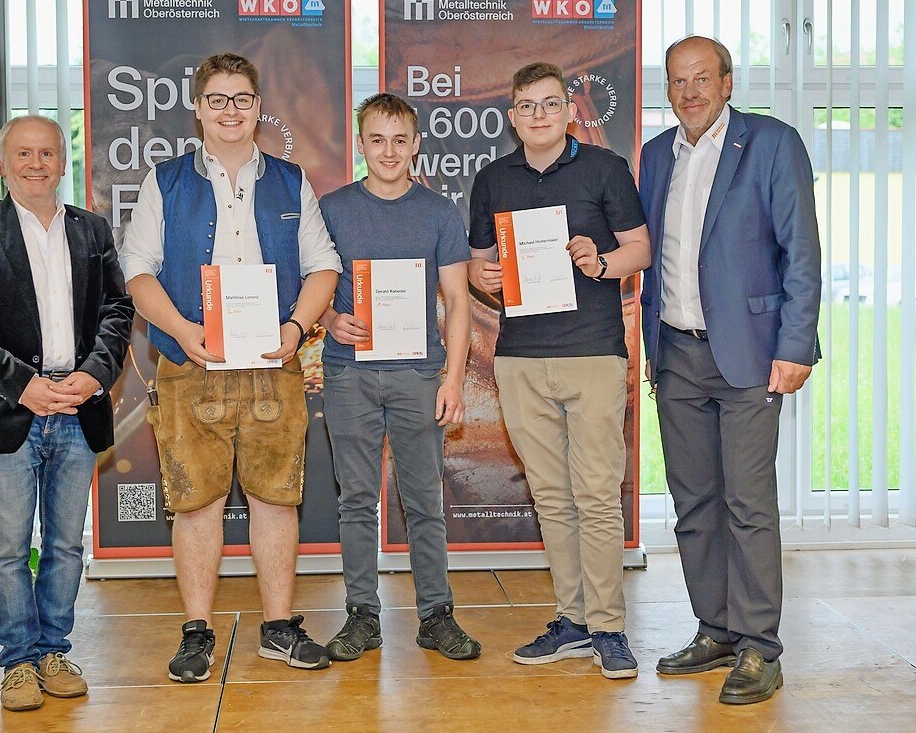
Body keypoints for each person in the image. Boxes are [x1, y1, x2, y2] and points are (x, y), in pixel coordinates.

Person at [120, 53, 341, 680]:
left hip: (274, 363)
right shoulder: (164, 182)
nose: (230, 110)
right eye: (217, 99)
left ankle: (277, 626)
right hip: (191, 364)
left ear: (258, 106)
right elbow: (137, 271)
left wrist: (297, 328)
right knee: (195, 502)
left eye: (241, 98)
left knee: (276, 498)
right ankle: (197, 632)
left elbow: (324, 264)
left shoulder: (291, 180)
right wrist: (183, 331)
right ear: (197, 107)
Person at [639, 35, 821, 704]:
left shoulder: (771, 144)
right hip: (677, 353)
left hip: (750, 352)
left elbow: (800, 248)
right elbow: (648, 253)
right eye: (677, 81)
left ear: (727, 82)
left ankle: (758, 647)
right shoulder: (657, 156)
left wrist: (796, 343)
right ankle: (714, 630)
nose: (689, 92)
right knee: (694, 505)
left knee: (748, 504)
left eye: (700, 78)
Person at [0, 115, 134, 711]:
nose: (36, 163)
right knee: (8, 545)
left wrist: (92, 375)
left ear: (62, 161)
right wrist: (22, 385)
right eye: (23, 153)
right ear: (2, 163)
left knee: (67, 544)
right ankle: (18, 663)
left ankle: (54, 650)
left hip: (77, 407)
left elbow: (118, 312)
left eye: (47, 152)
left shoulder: (92, 231)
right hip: (8, 411)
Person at [467, 62, 650, 679]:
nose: (540, 115)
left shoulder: (605, 169)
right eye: (527, 105)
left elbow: (640, 249)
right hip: (519, 358)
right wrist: (483, 279)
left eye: (551, 104)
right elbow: (478, 267)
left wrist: (599, 262)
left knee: (596, 495)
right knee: (551, 497)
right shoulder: (493, 179)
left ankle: (609, 627)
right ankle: (573, 620)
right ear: (513, 115)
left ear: (569, 110)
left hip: (593, 353)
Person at [318, 93, 479, 662]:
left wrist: (454, 379)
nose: (389, 151)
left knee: (424, 502)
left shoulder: (438, 213)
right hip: (348, 376)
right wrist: (330, 318)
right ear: (361, 144)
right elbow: (310, 287)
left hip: (418, 376)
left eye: (400, 140)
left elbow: (458, 300)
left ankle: (437, 615)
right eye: (377, 140)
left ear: (416, 145)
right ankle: (362, 616)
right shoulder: (331, 209)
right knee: (356, 500)